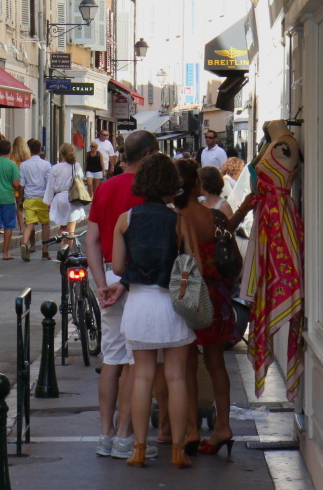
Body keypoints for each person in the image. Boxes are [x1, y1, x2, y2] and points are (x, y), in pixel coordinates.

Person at [111, 153, 197, 469]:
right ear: (169, 185)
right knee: (175, 378)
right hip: (170, 305)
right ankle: (178, 450)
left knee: (142, 377)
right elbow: (190, 265)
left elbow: (119, 266)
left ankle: (138, 449)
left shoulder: (126, 219)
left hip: (138, 305)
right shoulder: (178, 220)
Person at [87, 130, 159, 460]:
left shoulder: (103, 188)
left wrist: (101, 282)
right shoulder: (147, 192)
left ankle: (104, 434)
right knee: (136, 361)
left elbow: (92, 240)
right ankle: (124, 435)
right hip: (137, 280)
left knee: (112, 359)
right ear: (146, 156)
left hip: (106, 274)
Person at [181, 165, 240, 458]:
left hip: (186, 296)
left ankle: (191, 428)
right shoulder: (213, 216)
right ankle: (223, 426)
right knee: (217, 363)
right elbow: (232, 258)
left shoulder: (175, 220)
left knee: (187, 365)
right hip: (215, 295)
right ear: (196, 185)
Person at [0, 138, 23, 260]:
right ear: (9, 150)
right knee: (8, 225)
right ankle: (5, 253)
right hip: (8, 198)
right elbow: (16, 183)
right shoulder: (12, 164)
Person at [18, 139, 53, 261]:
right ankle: (45, 250)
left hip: (29, 198)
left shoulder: (24, 165)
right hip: (42, 198)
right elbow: (49, 183)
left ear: (29, 150)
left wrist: (20, 199)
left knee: (29, 224)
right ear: (40, 149)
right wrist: (50, 199)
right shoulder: (46, 165)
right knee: (45, 224)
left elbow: (21, 184)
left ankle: (24, 243)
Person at [43, 143, 83, 234]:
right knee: (71, 229)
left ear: (61, 153)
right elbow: (80, 178)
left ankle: (62, 247)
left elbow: (51, 186)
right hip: (73, 196)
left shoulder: (56, 168)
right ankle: (68, 247)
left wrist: (49, 202)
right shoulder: (76, 166)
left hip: (60, 197)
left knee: (62, 227)